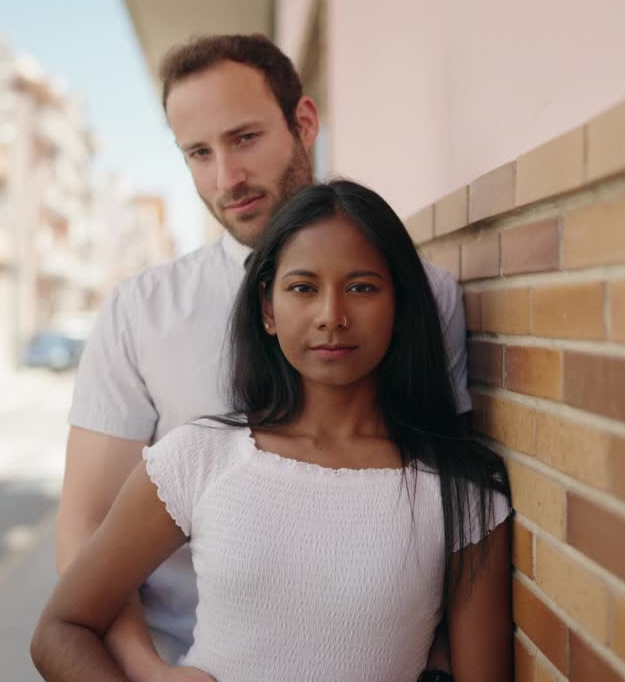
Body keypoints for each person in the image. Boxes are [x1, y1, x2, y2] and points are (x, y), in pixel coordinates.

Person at [55, 34, 472, 678]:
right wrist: (150, 672)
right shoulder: (143, 310)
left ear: (303, 124)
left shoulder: (419, 296)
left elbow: (449, 508)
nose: (227, 178)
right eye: (199, 152)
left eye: (244, 138)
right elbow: (87, 519)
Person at [33, 180, 513, 681]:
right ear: (267, 309)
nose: (332, 316)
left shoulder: (464, 493)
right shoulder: (198, 458)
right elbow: (62, 628)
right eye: (303, 288)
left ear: (400, 307)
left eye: (362, 287)